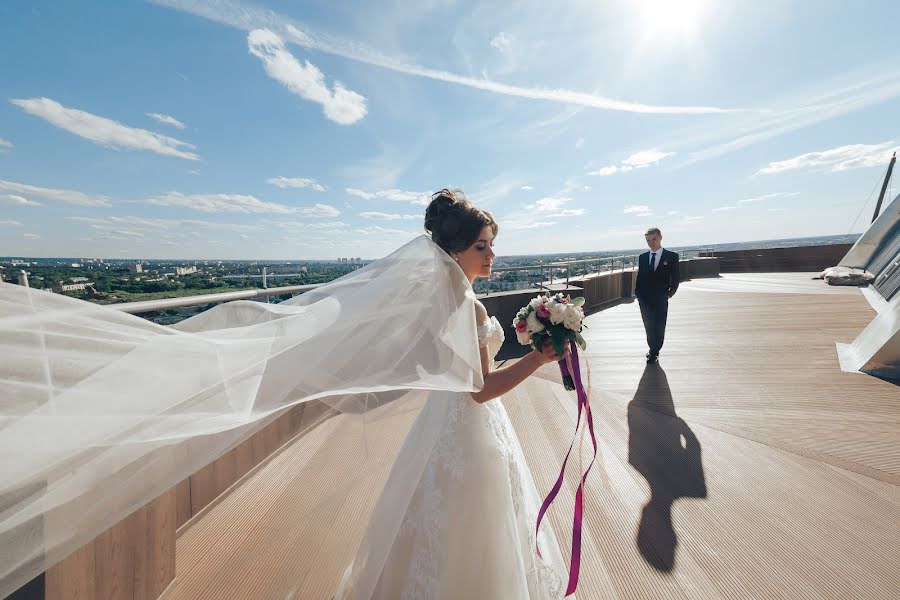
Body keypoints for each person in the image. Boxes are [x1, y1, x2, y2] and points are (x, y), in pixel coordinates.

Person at [335, 189, 571, 599]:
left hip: (441, 422)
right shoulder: (470, 307)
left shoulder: (443, 300)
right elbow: (480, 391)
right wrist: (537, 358)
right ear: (455, 251)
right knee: (476, 525)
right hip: (472, 431)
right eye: (481, 246)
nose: (491, 254)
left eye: (492, 245)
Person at [634, 227, 679, 364]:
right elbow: (640, 278)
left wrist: (668, 294)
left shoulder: (671, 256)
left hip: (661, 297)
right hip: (644, 298)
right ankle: (652, 348)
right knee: (648, 324)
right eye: (648, 240)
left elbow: (676, 278)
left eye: (653, 239)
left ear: (660, 238)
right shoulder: (642, 258)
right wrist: (638, 294)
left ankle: (655, 350)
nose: (651, 242)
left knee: (659, 324)